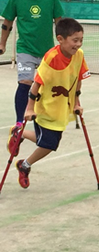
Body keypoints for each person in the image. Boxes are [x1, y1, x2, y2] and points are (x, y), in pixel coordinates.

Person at [12, 18, 90, 189]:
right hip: (45, 106)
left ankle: (20, 132)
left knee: (48, 140)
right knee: (49, 144)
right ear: (61, 39)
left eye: (81, 40)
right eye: (74, 40)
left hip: (62, 107)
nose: (78, 44)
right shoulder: (51, 57)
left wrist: (77, 103)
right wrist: (29, 108)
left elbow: (78, 80)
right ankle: (24, 165)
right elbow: (36, 83)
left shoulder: (79, 55)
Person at [2, 0, 64, 150]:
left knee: (47, 87)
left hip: (48, 51)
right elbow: (7, 23)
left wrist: (63, 45)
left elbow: (59, 21)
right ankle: (19, 124)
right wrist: (2, 43)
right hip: (25, 50)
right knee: (25, 82)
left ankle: (43, 121)